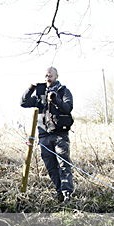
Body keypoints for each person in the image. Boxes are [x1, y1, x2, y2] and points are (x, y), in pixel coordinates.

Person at [20, 66, 75, 202]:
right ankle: (59, 192)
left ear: (56, 76)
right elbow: (24, 103)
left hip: (60, 134)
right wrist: (31, 88)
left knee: (64, 164)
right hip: (44, 136)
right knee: (50, 166)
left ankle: (67, 193)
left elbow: (68, 108)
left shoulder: (63, 91)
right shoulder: (40, 93)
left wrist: (56, 100)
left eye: (50, 75)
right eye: (46, 75)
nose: (48, 77)